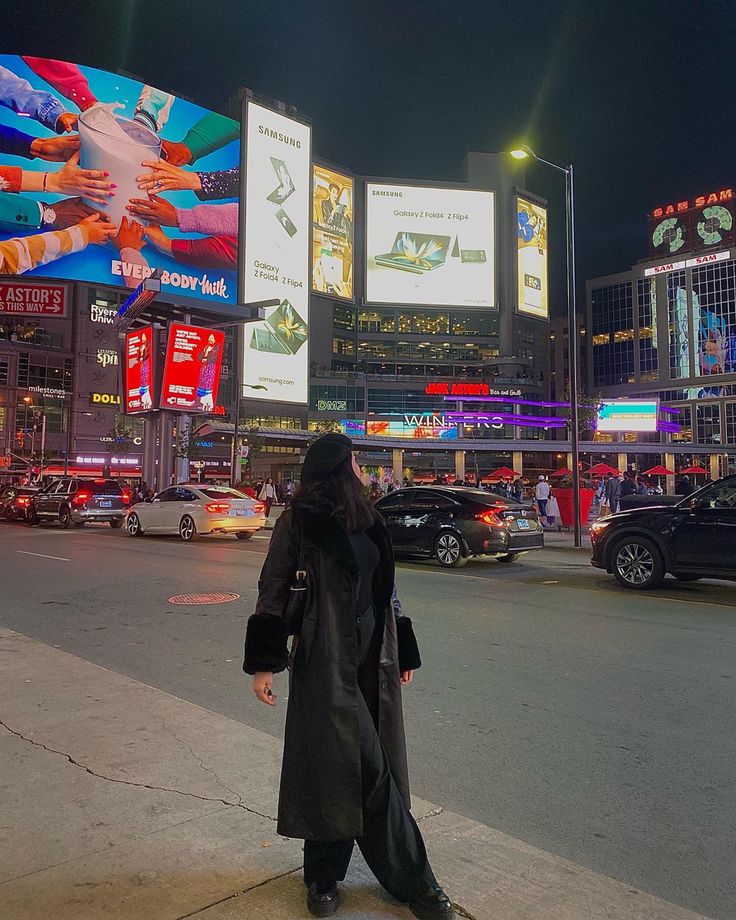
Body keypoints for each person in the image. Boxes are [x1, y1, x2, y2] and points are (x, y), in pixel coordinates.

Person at [243, 433, 454, 919]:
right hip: (325, 657)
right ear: (341, 467)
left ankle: (322, 877)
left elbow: (390, 592)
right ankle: (416, 882)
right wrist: (262, 663)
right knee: (365, 768)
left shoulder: (371, 519)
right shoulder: (298, 523)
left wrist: (404, 650)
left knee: (342, 765)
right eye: (355, 459)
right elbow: (272, 588)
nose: (362, 466)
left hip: (374, 656)